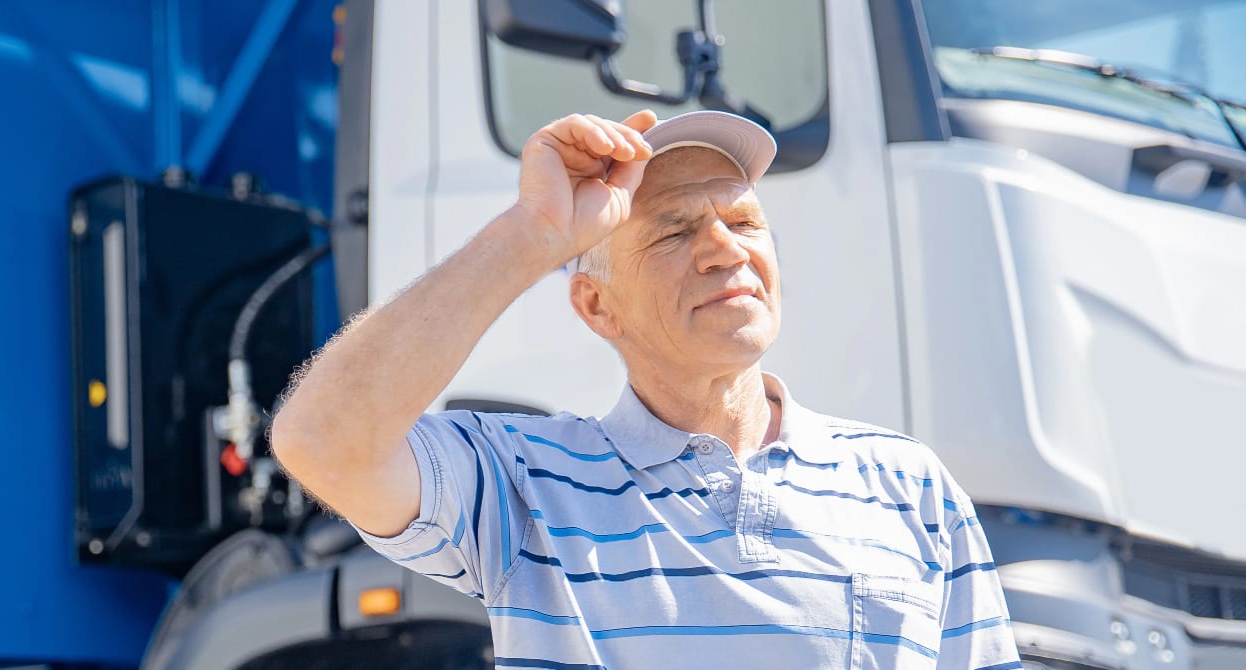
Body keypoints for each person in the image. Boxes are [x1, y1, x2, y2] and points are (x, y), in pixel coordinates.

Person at [269, 109, 1021, 669]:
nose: (726, 248)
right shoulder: (525, 484)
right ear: (597, 307)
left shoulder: (907, 484)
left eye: (744, 219)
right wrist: (533, 231)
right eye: (672, 231)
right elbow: (323, 440)